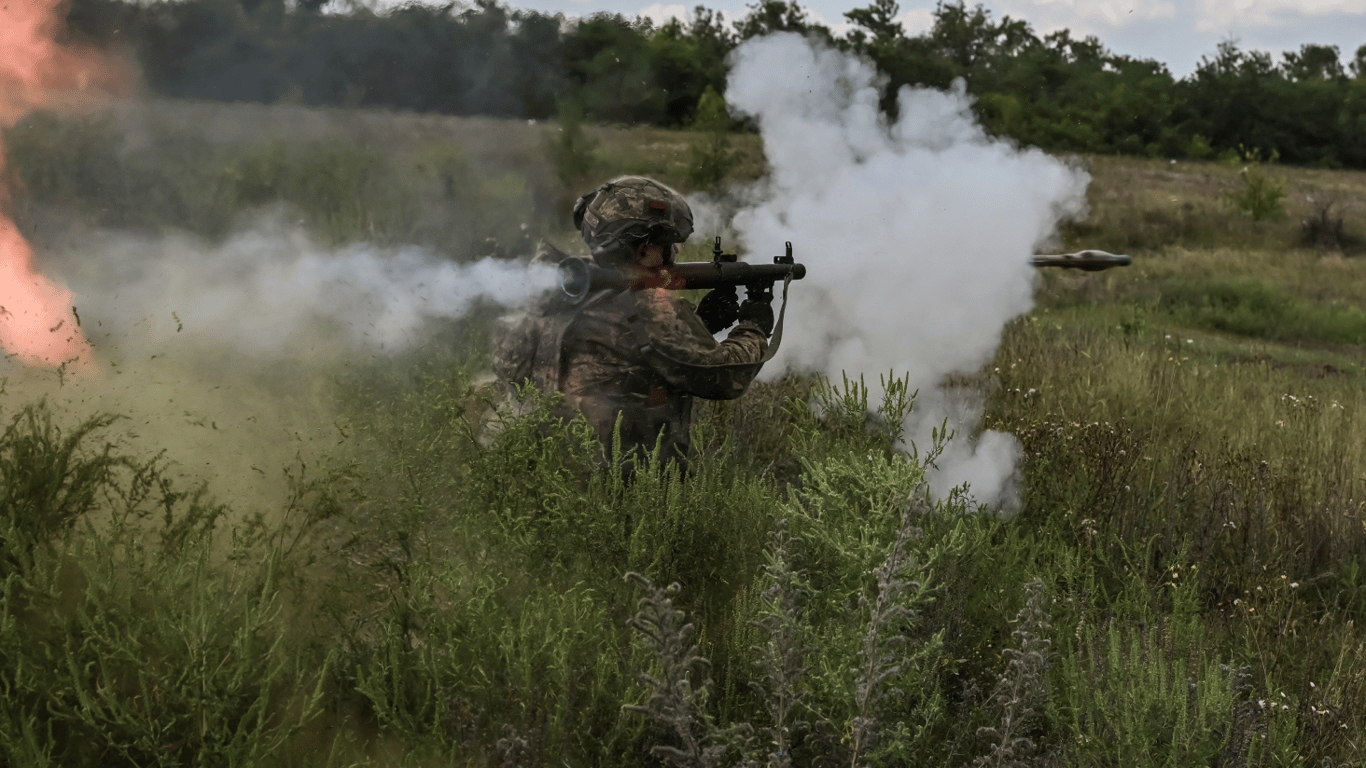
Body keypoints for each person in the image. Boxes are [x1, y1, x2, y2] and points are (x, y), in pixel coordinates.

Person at [492, 176, 774, 474]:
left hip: (543, 476)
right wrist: (754, 326)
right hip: (619, 485)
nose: (673, 255)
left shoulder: (552, 290)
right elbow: (724, 377)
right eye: (667, 246)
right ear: (643, 249)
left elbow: (624, 353)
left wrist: (701, 323)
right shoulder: (649, 306)